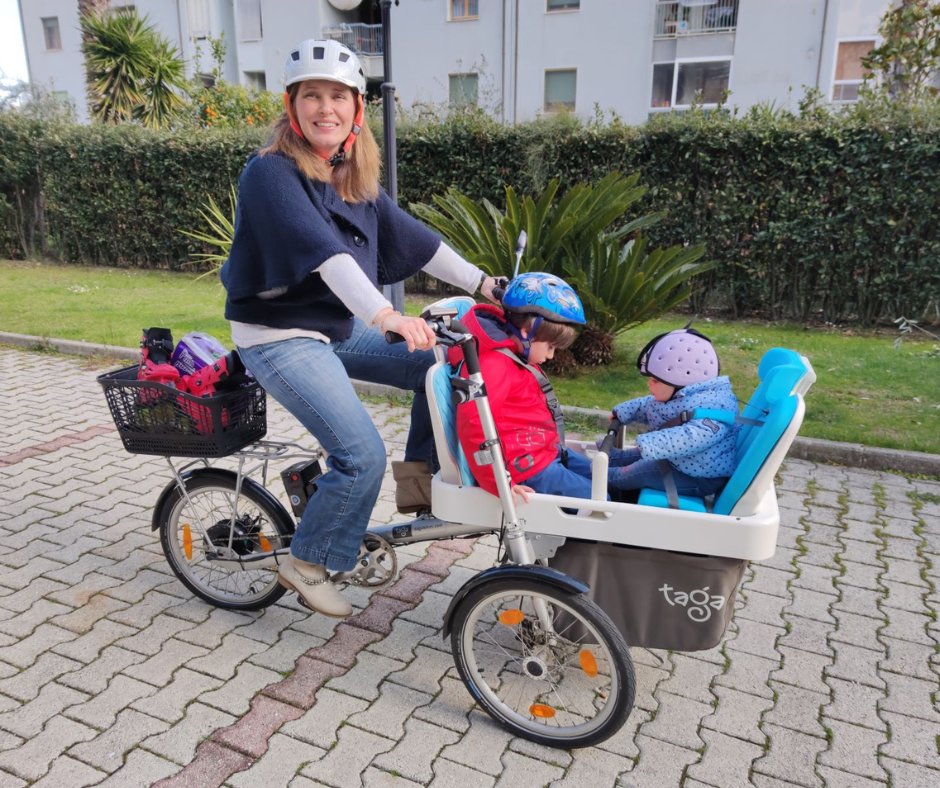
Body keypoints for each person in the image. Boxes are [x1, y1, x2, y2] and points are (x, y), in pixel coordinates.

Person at [220, 39, 499, 618]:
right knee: (360, 455)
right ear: (292, 106)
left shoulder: (349, 175)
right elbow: (327, 256)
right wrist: (386, 316)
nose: (326, 108)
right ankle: (307, 562)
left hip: (330, 329)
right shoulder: (270, 173)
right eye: (312, 96)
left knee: (438, 361)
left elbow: (416, 239)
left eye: (338, 96)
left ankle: (422, 486)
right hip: (277, 337)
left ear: (357, 109)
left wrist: (486, 285)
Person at [454, 272, 596, 501]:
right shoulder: (494, 365)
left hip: (546, 454)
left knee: (606, 480)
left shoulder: (515, 356)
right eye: (550, 347)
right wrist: (499, 482)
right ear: (526, 333)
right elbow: (475, 424)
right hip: (530, 470)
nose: (551, 356)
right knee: (603, 500)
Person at [606, 327, 739, 502]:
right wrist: (623, 412)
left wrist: (650, 443)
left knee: (624, 475)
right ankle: (580, 463)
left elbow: (691, 437)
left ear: (681, 381)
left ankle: (590, 477)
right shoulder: (687, 397)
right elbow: (651, 406)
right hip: (679, 462)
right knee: (619, 458)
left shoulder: (714, 411)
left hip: (697, 477)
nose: (649, 384)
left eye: (655, 380)